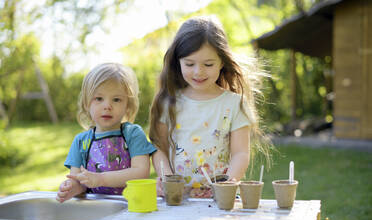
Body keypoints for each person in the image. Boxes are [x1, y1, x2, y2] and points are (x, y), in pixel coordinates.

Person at [149, 16, 271, 198]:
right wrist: (167, 179)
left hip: (219, 198)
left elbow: (240, 153)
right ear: (178, 62)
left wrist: (226, 185)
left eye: (208, 64)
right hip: (178, 197)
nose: (199, 71)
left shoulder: (234, 104)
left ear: (222, 62)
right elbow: (160, 148)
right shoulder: (168, 103)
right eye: (190, 64)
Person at [57, 63, 157, 203]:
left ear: (127, 105)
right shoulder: (81, 142)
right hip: (96, 208)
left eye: (116, 100)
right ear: (87, 103)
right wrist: (70, 188)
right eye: (99, 99)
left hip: (132, 206)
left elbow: (141, 172)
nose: (107, 106)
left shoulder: (132, 134)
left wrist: (101, 179)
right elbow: (78, 181)